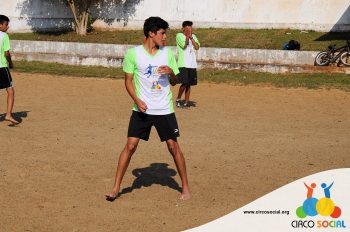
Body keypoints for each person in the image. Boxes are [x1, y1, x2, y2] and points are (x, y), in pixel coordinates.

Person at [105, 17, 190, 201]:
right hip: (141, 109)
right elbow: (127, 82)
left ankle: (185, 187)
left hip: (164, 109)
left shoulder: (167, 54)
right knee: (130, 145)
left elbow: (176, 81)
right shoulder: (133, 54)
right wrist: (137, 100)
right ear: (151, 33)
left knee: (173, 146)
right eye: (162, 33)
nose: (165, 37)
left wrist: (171, 73)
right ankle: (115, 187)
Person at [175, 21, 200, 108]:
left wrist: (191, 38)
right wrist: (187, 37)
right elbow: (184, 46)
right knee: (184, 83)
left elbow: (197, 47)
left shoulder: (194, 36)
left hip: (192, 64)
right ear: (183, 29)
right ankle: (178, 99)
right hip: (183, 63)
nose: (189, 30)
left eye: (190, 28)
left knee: (189, 83)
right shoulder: (179, 35)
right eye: (187, 28)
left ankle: (186, 102)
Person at [0, 15, 18, 124]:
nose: (8, 27)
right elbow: (6, 53)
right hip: (2, 67)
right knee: (10, 90)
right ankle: (8, 115)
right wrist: (10, 62)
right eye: (6, 25)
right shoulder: (4, 36)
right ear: (0, 25)